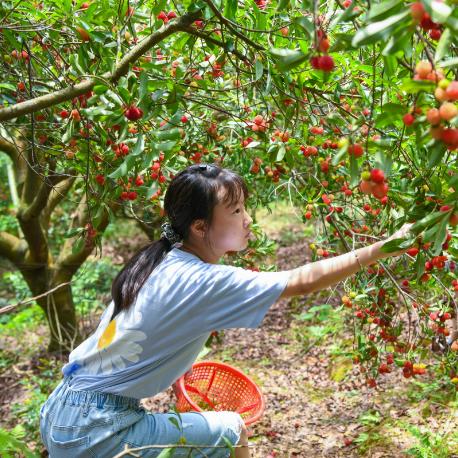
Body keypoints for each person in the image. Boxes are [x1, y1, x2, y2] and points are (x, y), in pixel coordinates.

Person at [39, 163, 412, 457]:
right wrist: (387, 247)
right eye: (235, 211)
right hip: (97, 430)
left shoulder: (157, 261)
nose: (247, 219)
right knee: (230, 429)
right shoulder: (204, 280)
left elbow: (137, 336)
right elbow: (303, 280)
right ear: (201, 227)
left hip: (64, 410)